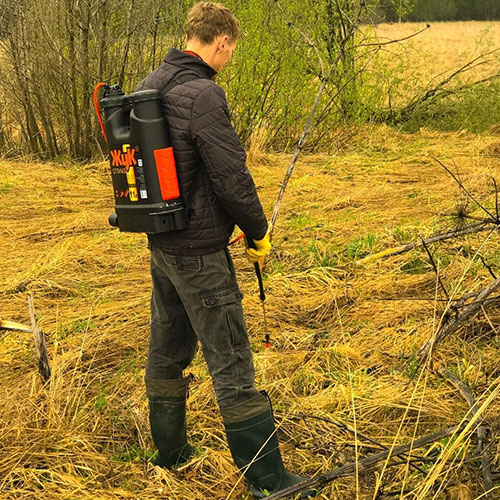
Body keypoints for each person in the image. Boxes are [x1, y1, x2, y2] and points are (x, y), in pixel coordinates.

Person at [135, 2, 314, 498]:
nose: (230, 57)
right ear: (221, 43)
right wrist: (257, 233)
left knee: (167, 348)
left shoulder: (150, 84)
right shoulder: (205, 94)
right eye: (231, 48)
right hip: (200, 255)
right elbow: (232, 178)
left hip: (163, 244)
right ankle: (269, 481)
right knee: (232, 360)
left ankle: (169, 456)